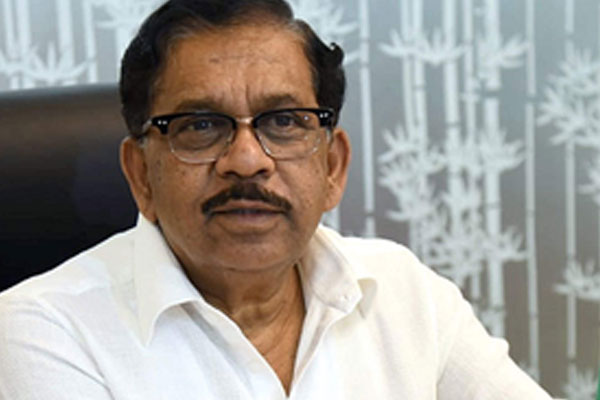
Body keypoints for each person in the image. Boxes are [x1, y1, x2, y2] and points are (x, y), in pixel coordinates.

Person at [0, 0, 553, 399]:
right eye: (201, 125)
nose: (247, 160)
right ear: (141, 175)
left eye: (284, 121)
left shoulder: (404, 291)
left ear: (332, 167)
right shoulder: (43, 332)